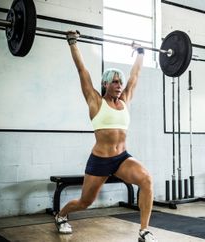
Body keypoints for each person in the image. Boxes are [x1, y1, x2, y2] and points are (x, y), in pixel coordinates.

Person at [54, 30, 157, 242]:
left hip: (122, 159)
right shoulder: (95, 101)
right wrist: (73, 42)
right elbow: (82, 71)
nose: (120, 86)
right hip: (100, 160)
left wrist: (140, 51)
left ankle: (144, 230)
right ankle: (61, 215)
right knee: (85, 202)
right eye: (115, 82)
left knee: (146, 179)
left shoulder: (125, 100)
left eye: (120, 82)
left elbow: (135, 75)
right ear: (105, 84)